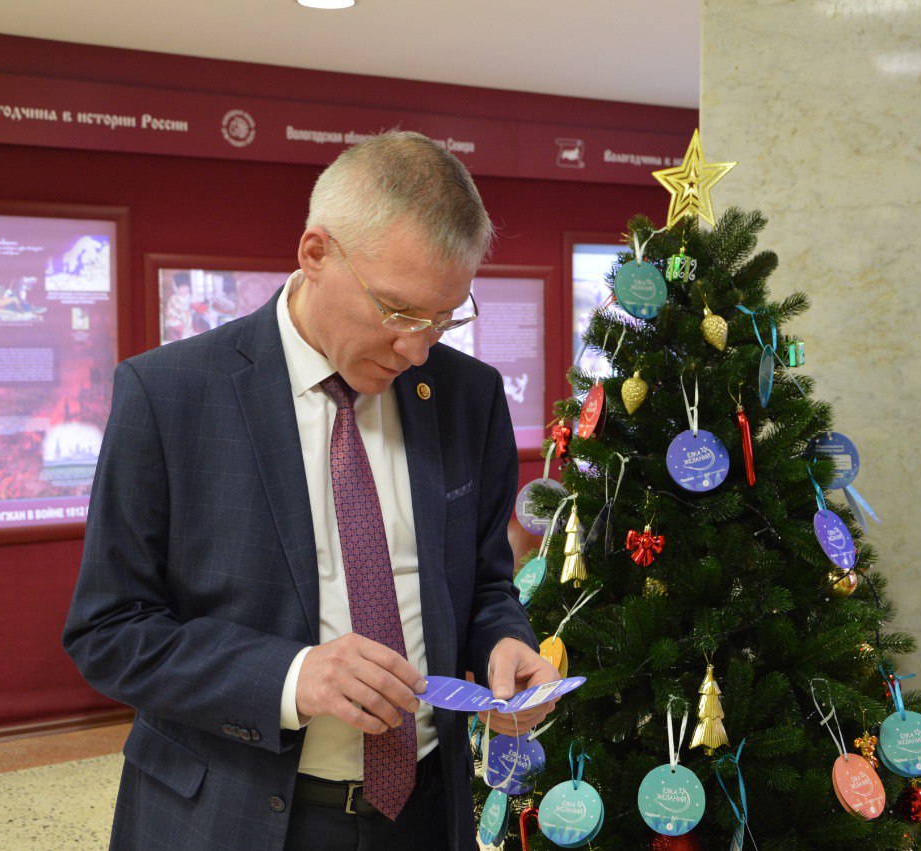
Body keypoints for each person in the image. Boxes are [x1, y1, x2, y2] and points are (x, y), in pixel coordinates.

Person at [63, 131, 559, 851]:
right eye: (399, 311)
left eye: (445, 318)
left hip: (425, 813)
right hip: (230, 816)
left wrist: (503, 643)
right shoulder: (168, 395)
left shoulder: (467, 395)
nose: (418, 348)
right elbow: (108, 630)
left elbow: (483, 582)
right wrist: (291, 677)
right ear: (315, 254)